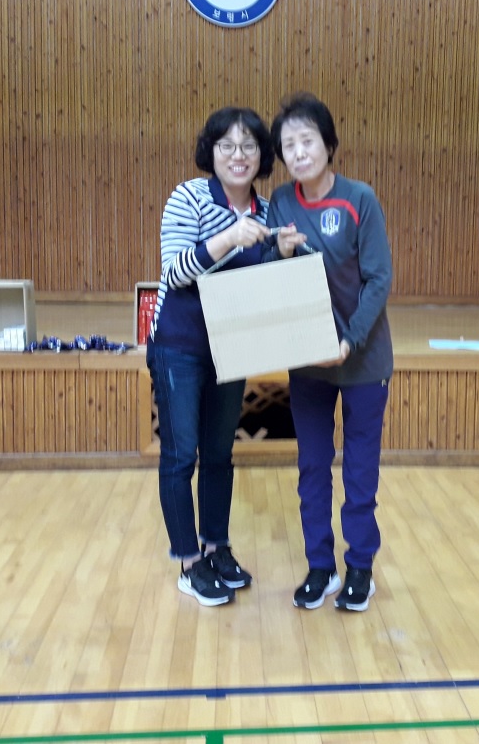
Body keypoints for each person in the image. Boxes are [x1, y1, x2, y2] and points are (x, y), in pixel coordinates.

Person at [264, 92, 394, 612]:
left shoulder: (360, 199)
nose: (299, 152)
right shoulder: (280, 201)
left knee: (360, 470)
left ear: (328, 143)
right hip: (308, 363)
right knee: (313, 468)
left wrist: (349, 340)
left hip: (363, 360)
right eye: (288, 145)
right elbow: (274, 277)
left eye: (307, 140)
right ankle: (321, 566)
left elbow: (379, 279)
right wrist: (279, 252)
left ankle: (360, 566)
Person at [146, 106, 274, 606]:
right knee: (181, 456)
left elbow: (263, 287)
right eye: (227, 145)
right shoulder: (189, 197)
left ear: (262, 155)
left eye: (249, 146)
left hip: (231, 346)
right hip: (178, 345)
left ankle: (216, 548)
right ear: (211, 151)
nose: (238, 155)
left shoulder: (267, 212)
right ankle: (188, 561)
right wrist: (228, 238)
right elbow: (176, 272)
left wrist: (281, 252)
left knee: (220, 454)